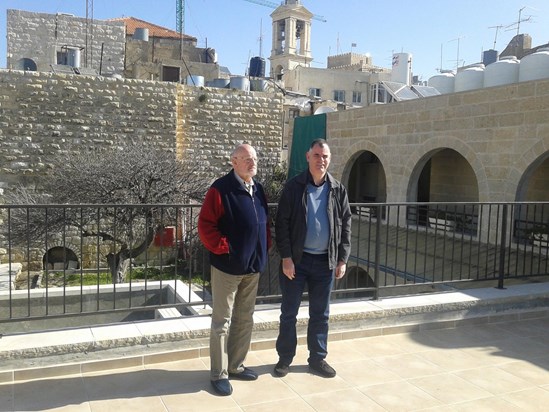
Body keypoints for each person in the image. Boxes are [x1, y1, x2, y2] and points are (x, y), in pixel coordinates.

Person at [274, 138, 352, 378]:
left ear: (330, 159)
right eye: (317, 155)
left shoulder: (337, 189)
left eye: (325, 156)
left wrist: (342, 258)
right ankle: (285, 359)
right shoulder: (294, 187)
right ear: (308, 157)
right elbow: (281, 224)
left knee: (321, 313)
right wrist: (286, 257)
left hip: (325, 263)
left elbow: (346, 224)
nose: (321, 160)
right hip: (297, 262)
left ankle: (317, 359)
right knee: (289, 313)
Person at [198, 143, 271, 396]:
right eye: (247, 159)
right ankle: (218, 374)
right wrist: (224, 248)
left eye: (254, 158)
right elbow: (205, 225)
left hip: (252, 267)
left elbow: (264, 223)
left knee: (244, 318)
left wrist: (264, 248)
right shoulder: (220, 189)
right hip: (227, 268)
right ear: (234, 162)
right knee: (222, 321)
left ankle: (236, 365)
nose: (253, 163)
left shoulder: (258, 188)